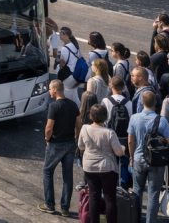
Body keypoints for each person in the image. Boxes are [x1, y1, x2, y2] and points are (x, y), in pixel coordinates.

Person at [38, 79, 81, 218]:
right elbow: (78, 124)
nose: (49, 91)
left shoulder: (54, 106)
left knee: (47, 171)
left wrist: (47, 139)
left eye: (50, 89)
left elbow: (49, 127)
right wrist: (75, 136)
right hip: (70, 144)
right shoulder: (73, 105)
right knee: (67, 177)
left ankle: (49, 205)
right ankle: (65, 208)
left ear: (55, 89)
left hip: (56, 144)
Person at [78, 104, 126, 223]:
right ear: (105, 117)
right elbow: (119, 152)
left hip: (89, 166)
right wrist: (124, 148)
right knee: (110, 198)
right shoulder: (110, 133)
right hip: (107, 167)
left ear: (91, 116)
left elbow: (81, 146)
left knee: (94, 196)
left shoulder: (84, 128)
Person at [128, 90, 169, 223]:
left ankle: (136, 219)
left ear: (141, 102)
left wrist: (131, 156)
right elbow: (167, 141)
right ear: (155, 103)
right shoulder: (162, 120)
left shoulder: (134, 118)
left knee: (137, 191)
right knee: (153, 194)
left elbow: (130, 140)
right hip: (156, 161)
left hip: (139, 158)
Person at [58, 27, 82, 107]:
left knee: (66, 97)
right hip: (76, 74)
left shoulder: (65, 48)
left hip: (68, 76)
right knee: (74, 96)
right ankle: (79, 113)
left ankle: (69, 114)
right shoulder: (75, 45)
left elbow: (62, 64)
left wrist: (61, 75)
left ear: (65, 35)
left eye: (60, 34)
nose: (59, 35)